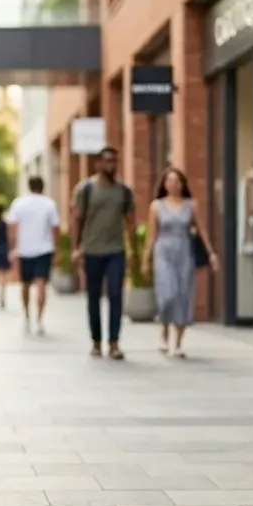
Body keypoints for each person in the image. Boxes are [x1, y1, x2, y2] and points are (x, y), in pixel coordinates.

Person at [144, 167, 218, 358]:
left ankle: (178, 343)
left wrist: (211, 253)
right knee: (167, 294)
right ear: (164, 184)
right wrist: (146, 259)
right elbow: (152, 235)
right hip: (164, 252)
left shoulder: (191, 205)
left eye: (177, 181)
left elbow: (202, 230)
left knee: (183, 296)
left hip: (184, 252)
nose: (173, 184)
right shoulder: (156, 206)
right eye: (169, 181)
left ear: (182, 184)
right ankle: (164, 330)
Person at [71, 146, 136, 360]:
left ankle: (114, 343)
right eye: (107, 160)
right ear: (98, 163)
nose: (112, 165)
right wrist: (76, 248)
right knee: (94, 297)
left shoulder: (123, 191)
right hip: (92, 251)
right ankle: (96, 341)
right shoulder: (86, 189)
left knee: (116, 295)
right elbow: (77, 219)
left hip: (116, 250)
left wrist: (133, 250)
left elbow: (130, 221)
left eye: (114, 161)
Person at [6, 176, 60, 335]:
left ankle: (27, 316)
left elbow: (12, 228)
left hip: (24, 250)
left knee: (25, 285)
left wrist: (12, 248)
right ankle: (39, 320)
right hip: (44, 250)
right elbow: (55, 227)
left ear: (29, 186)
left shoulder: (19, 203)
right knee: (41, 284)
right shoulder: (49, 204)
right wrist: (57, 248)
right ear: (43, 187)